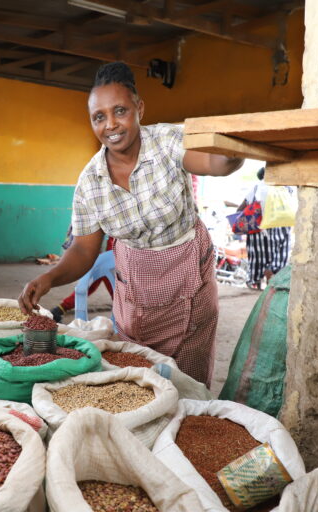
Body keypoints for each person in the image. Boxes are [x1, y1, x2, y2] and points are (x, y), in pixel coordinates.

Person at [18, 62, 243, 387]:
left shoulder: (167, 141)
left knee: (187, 380)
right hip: (134, 285)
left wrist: (234, 147)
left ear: (139, 109)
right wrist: (49, 278)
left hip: (188, 274)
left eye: (120, 111)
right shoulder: (91, 182)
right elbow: (83, 249)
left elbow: (213, 162)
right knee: (136, 373)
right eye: (99, 117)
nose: (110, 124)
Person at [240, 167, 292, 289]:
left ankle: (256, 283)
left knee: (257, 260)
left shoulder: (256, 188)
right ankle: (271, 280)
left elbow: (241, 208)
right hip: (280, 229)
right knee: (278, 261)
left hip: (258, 232)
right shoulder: (285, 188)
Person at [50, 226, 115, 322]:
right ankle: (59, 310)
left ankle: (59, 310)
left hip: (104, 255)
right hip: (104, 256)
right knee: (115, 290)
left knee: (109, 289)